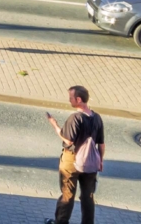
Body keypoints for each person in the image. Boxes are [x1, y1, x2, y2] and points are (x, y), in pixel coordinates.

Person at [45, 86, 104, 224]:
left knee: (68, 194)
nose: (69, 100)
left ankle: (61, 222)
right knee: (88, 196)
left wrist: (55, 125)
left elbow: (68, 139)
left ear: (78, 99)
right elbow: (101, 143)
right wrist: (100, 160)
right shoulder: (97, 118)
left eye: (71, 97)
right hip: (90, 161)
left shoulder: (75, 118)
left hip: (72, 159)